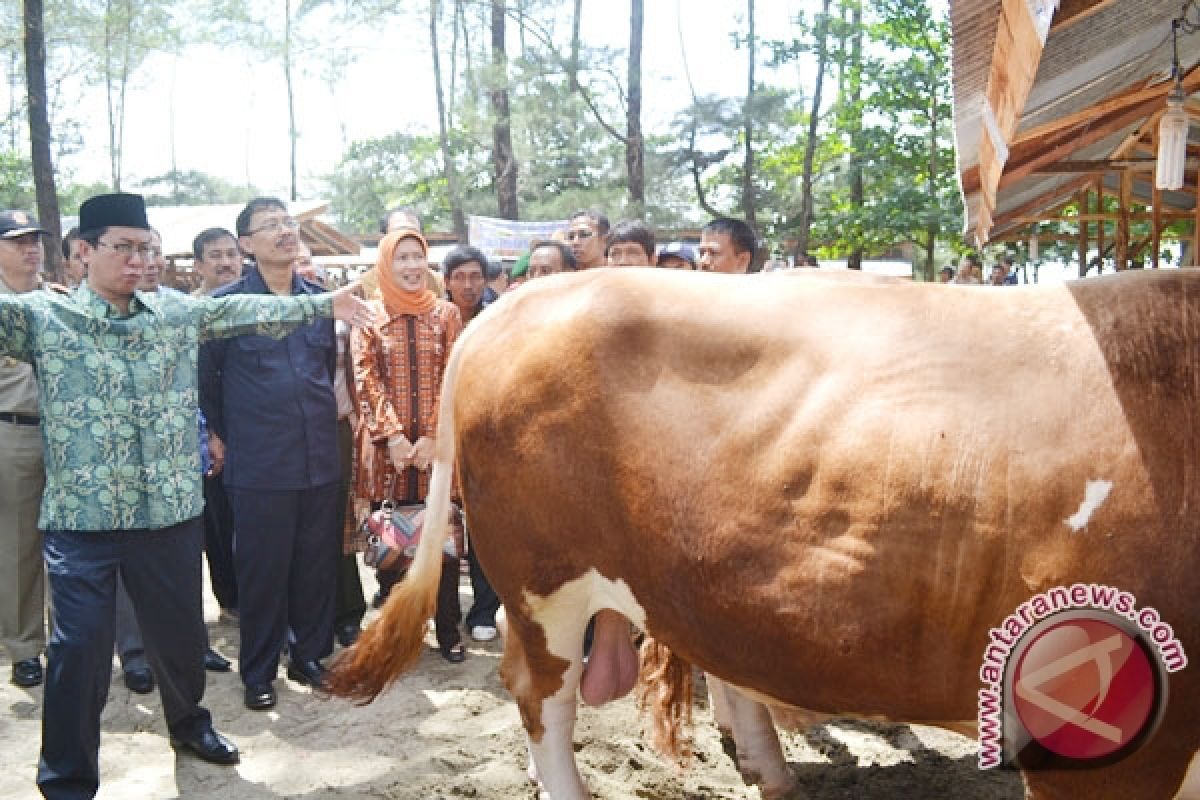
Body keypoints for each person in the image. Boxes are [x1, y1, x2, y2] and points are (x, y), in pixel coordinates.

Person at [0, 192, 377, 799]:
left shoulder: (177, 313)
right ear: (82, 253)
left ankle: (189, 725)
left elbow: (247, 311)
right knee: (78, 653)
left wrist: (325, 303)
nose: (138, 260)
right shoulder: (43, 320)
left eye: (145, 248)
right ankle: (67, 779)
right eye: (123, 247)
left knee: (180, 642)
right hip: (82, 523)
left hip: (170, 518)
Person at [199, 197, 347, 711]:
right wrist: (218, 432)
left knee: (315, 565)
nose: (286, 232)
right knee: (262, 571)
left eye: (288, 223)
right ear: (246, 244)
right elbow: (207, 378)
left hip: (319, 456)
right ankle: (258, 671)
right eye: (271, 226)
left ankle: (310, 655)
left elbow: (326, 365)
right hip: (260, 462)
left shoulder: (318, 298)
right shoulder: (228, 304)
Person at [351, 228, 467, 662]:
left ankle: (449, 630)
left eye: (417, 256)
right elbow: (365, 377)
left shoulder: (447, 314)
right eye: (401, 258)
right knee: (394, 543)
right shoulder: (369, 315)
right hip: (387, 452)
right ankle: (401, 632)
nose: (411, 266)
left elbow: (453, 374)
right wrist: (395, 437)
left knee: (443, 539)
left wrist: (435, 435)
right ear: (385, 264)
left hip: (438, 450)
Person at [0, 210, 51, 691]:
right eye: (17, 242)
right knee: (18, 546)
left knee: (75, 542)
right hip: (13, 432)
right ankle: (23, 647)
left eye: (34, 240)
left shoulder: (58, 300)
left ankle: (69, 637)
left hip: (66, 436)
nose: (30, 248)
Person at [440, 245, 501, 641]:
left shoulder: (499, 319)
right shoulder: (434, 319)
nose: (468, 285)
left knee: (483, 530)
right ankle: (441, 612)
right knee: (442, 525)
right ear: (446, 282)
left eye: (475, 276)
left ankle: (484, 610)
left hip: (488, 440)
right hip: (442, 438)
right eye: (459, 277)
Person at [191, 228, 242, 297]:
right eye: (216, 256)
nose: (226, 263)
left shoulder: (257, 300)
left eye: (231, 254)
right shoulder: (191, 305)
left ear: (241, 261)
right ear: (198, 266)